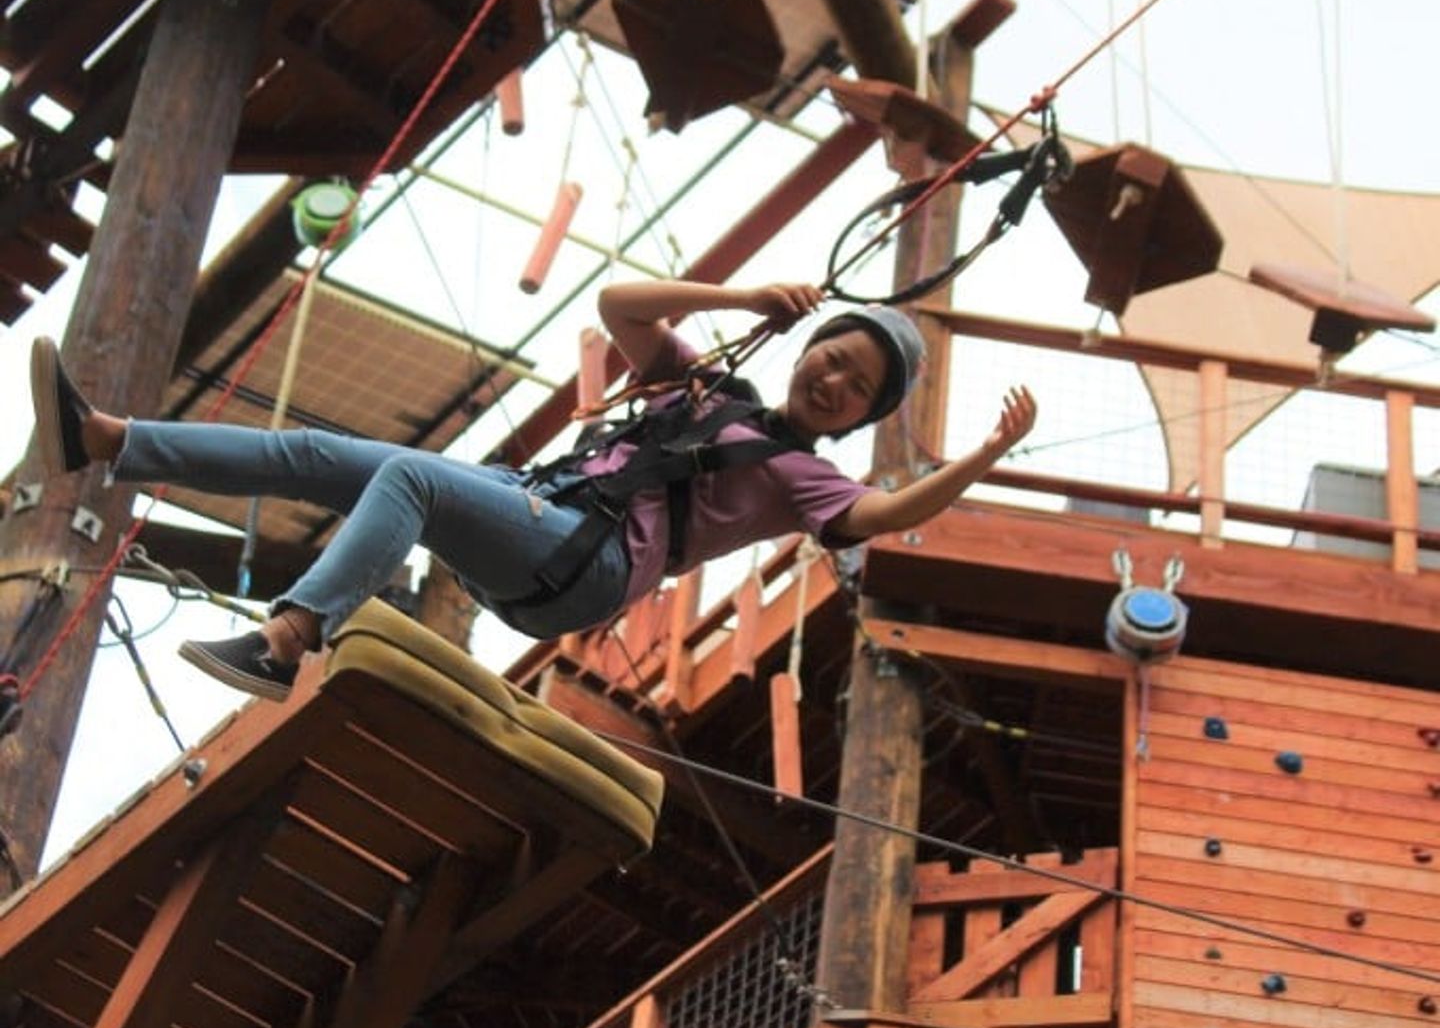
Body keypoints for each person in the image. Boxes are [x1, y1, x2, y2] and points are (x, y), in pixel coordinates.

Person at [29, 279, 1036, 702]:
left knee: (410, 478)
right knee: (329, 457)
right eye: (833, 358)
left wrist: (981, 456)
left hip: (585, 563)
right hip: (537, 509)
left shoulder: (807, 476)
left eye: (856, 385)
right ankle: (107, 439)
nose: (832, 380)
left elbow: (886, 517)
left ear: (859, 415)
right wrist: (742, 298)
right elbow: (620, 306)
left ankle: (288, 641)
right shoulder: (709, 387)